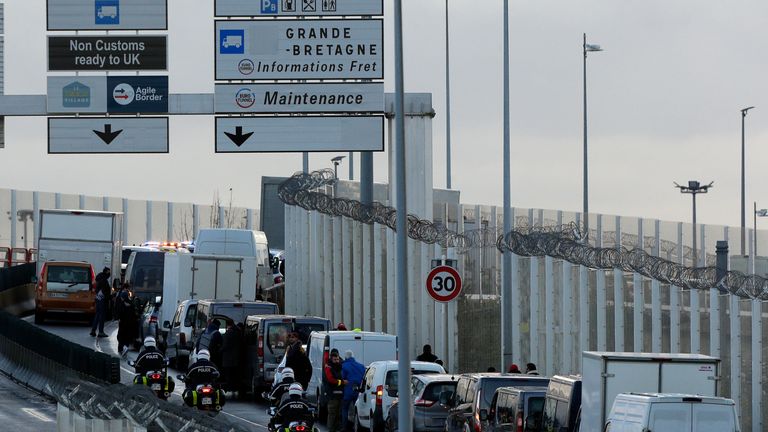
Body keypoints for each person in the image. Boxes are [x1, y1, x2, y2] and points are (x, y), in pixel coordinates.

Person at [341, 350, 365, 432]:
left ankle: (345, 427)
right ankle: (356, 426)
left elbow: (342, 378)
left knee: (345, 409)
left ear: (345, 357)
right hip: (358, 391)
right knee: (357, 409)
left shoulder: (344, 366)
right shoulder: (361, 366)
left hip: (348, 391)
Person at [323, 348, 346, 432]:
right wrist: (342, 382)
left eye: (337, 359)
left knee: (338, 415)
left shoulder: (341, 365)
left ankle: (336, 428)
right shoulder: (328, 367)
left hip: (340, 395)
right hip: (332, 396)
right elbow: (331, 380)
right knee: (332, 414)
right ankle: (331, 429)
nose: (336, 361)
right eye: (335, 359)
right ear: (331, 358)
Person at [221, 322, 244, 391]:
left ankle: (229, 387)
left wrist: (219, 350)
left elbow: (225, 345)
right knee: (234, 374)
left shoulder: (229, 333)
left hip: (227, 358)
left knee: (229, 374)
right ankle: (233, 387)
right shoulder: (238, 333)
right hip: (236, 358)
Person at [90, 267, 111, 337]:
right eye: (109, 272)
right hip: (102, 300)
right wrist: (111, 297)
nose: (109, 273)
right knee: (102, 316)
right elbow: (105, 292)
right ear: (106, 272)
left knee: (97, 315)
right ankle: (101, 332)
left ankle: (93, 330)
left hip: (98, 299)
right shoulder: (104, 280)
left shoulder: (99, 279)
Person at [116, 289, 137, 357]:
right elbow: (134, 314)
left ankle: (121, 348)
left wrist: (118, 318)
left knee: (120, 336)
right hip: (130, 324)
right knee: (127, 337)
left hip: (123, 323)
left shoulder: (122, 304)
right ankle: (125, 347)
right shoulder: (131, 303)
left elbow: (119, 313)